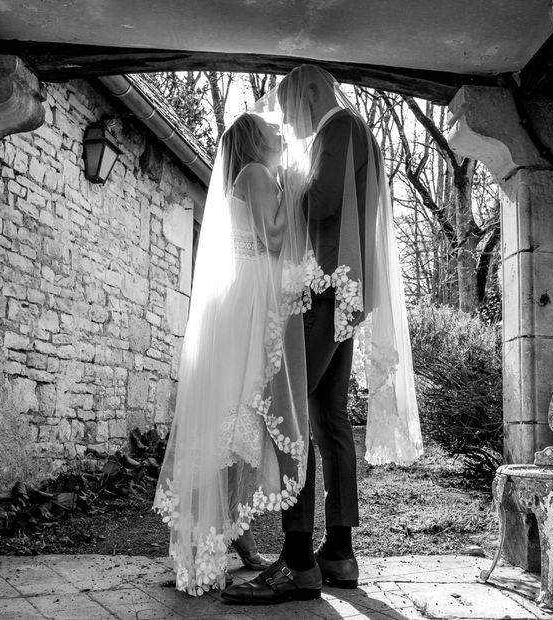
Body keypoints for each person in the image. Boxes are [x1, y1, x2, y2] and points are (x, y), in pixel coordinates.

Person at [221, 65, 424, 605]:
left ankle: (298, 561)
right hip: (344, 294)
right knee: (330, 422)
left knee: (289, 415)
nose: (291, 124)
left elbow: (324, 202)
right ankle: (339, 552)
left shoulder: (339, 126)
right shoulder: (358, 132)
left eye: (291, 109)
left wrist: (288, 185)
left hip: (321, 292)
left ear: (311, 91)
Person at [152, 112, 311, 595]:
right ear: (253, 140)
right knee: (235, 424)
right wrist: (296, 190)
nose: (279, 132)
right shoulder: (256, 173)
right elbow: (275, 238)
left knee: (241, 429)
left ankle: (232, 534)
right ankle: (208, 542)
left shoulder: (254, 176)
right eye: (269, 129)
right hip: (248, 309)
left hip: (247, 303)